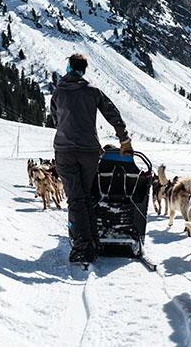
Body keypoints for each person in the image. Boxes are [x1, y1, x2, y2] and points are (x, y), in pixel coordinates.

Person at [51, 53, 132, 264]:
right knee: (84, 195)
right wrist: (124, 139)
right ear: (84, 70)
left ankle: (83, 247)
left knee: (76, 198)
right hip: (89, 151)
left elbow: (55, 119)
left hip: (65, 151)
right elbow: (111, 112)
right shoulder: (92, 91)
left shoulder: (58, 92)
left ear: (68, 68)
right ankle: (92, 239)